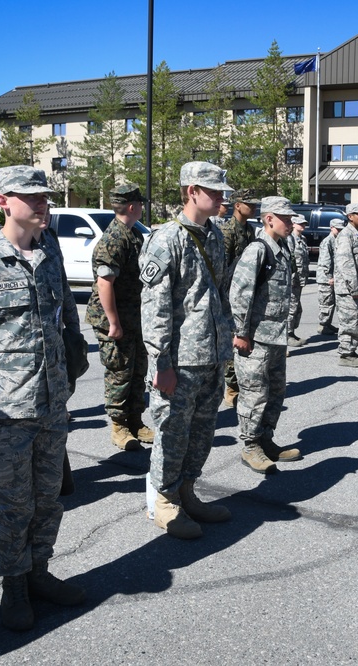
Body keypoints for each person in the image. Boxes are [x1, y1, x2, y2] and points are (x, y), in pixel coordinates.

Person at [0, 167, 85, 631]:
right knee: (13, 504)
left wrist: (71, 370)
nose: (43, 203)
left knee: (48, 499)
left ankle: (39, 572)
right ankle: (13, 586)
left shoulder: (50, 254)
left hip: (51, 405)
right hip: (6, 410)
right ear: (4, 201)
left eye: (45, 195)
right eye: (32, 197)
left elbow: (68, 320)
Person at [139, 161, 234, 540]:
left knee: (202, 430)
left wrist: (226, 344)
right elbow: (155, 308)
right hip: (179, 360)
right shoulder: (166, 239)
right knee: (171, 431)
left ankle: (187, 490)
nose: (221, 197)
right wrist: (160, 362)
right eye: (213, 190)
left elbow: (218, 296)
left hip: (210, 354)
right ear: (192, 191)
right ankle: (163, 500)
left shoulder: (216, 235)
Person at [231, 196, 302, 474]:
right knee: (254, 394)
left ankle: (265, 439)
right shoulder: (258, 250)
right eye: (285, 218)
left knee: (275, 392)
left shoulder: (282, 248)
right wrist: (240, 332)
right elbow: (239, 294)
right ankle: (250, 446)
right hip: (256, 339)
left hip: (275, 337)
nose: (290, 223)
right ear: (269, 219)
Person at [85, 183, 153, 452]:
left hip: (132, 316)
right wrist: (113, 322)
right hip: (114, 319)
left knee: (137, 370)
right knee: (120, 372)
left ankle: (136, 420)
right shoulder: (114, 239)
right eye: (141, 204)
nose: (142, 208)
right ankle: (119, 425)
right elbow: (105, 284)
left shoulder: (132, 233)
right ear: (133, 206)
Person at [219, 188, 259, 407]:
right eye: (249, 203)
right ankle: (232, 388)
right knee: (232, 341)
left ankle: (241, 384)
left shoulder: (250, 230)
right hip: (229, 295)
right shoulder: (228, 232)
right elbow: (223, 268)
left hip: (246, 292)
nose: (253, 207)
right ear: (237, 206)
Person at [334, 202, 358, 367]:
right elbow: (346, 264)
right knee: (349, 320)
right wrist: (354, 288)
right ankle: (345, 354)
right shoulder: (345, 235)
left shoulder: (356, 234)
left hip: (356, 287)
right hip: (348, 289)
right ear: (350, 216)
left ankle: (351, 350)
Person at [316, 217, 344, 336]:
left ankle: (327, 324)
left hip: (332, 276)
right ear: (331, 228)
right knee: (326, 302)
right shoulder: (328, 241)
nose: (339, 231)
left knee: (331, 301)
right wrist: (329, 277)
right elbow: (325, 261)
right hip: (326, 278)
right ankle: (323, 325)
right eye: (337, 229)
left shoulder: (336, 240)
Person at [286, 214, 310, 348]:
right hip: (293, 279)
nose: (303, 226)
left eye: (304, 224)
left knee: (297, 308)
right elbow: (291, 260)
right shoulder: (290, 239)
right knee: (292, 307)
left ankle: (292, 332)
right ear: (293, 224)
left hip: (300, 279)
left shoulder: (303, 239)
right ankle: (287, 335)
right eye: (300, 223)